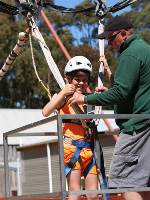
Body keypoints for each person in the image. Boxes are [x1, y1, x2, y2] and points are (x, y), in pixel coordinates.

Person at [68, 16, 150, 200]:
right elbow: (130, 92)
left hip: (138, 128)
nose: (109, 44)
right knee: (147, 183)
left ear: (123, 34)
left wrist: (85, 98)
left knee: (125, 180)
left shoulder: (130, 54)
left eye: (111, 39)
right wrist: (108, 94)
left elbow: (120, 93)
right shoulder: (145, 49)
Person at [42, 56, 98, 200]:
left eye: (84, 80)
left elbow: (93, 119)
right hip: (70, 148)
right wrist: (63, 93)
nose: (81, 83)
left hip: (88, 149)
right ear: (68, 78)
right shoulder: (63, 97)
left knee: (93, 194)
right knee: (75, 191)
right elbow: (46, 111)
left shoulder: (89, 98)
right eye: (77, 79)